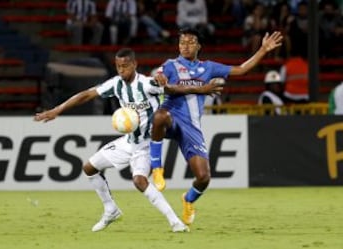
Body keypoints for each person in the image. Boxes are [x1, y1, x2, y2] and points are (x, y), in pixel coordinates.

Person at [34, 48, 223, 232]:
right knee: (89, 168)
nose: (121, 70)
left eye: (125, 66)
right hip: (128, 141)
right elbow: (86, 95)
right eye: (118, 66)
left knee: (139, 181)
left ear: (134, 64)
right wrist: (56, 111)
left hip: (146, 145)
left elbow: (172, 89)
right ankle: (111, 210)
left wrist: (202, 89)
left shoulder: (147, 84)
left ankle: (175, 222)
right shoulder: (115, 84)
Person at [149, 27, 282, 226]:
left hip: (192, 128)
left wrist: (263, 50)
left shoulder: (209, 67)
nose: (185, 46)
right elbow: (163, 83)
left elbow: (242, 69)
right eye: (182, 42)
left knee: (203, 177)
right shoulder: (170, 65)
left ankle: (188, 199)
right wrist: (160, 78)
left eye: (190, 42)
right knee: (159, 116)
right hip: (172, 118)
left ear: (199, 46)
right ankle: (156, 167)